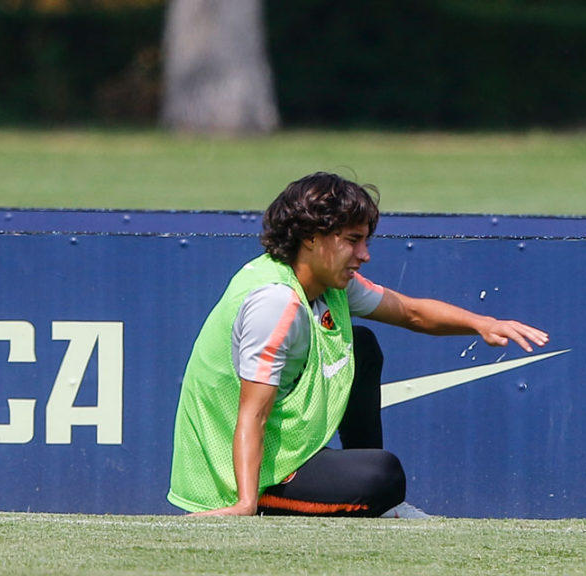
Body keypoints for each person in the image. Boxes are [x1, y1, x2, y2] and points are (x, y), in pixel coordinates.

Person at [167, 172, 549, 517]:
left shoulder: (329, 285)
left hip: (279, 456)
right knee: (383, 476)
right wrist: (245, 505)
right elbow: (251, 413)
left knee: (361, 344)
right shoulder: (275, 302)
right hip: (240, 477)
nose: (364, 255)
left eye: (365, 240)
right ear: (310, 237)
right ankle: (269, 501)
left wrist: (483, 323)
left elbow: (410, 312)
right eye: (353, 241)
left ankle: (368, 501)